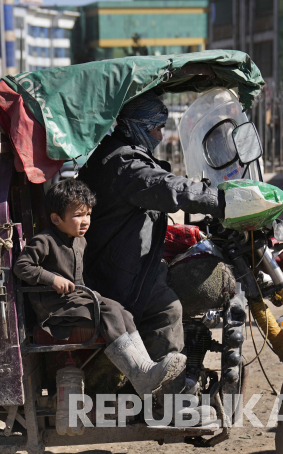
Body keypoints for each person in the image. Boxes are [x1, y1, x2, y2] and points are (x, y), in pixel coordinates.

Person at [77, 90, 222, 391]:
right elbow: (165, 187)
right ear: (136, 124)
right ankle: (171, 399)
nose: (160, 133)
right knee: (167, 310)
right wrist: (219, 199)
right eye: (155, 126)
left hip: (128, 256)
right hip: (119, 268)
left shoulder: (122, 150)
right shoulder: (122, 161)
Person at [14, 179, 185, 396]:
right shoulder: (44, 241)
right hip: (56, 308)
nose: (85, 221)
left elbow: (79, 279)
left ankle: (145, 370)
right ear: (56, 219)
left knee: (122, 311)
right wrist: (52, 279)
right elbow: (22, 266)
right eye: (77, 215)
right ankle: (140, 374)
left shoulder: (79, 241)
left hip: (76, 301)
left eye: (87, 214)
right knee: (110, 311)